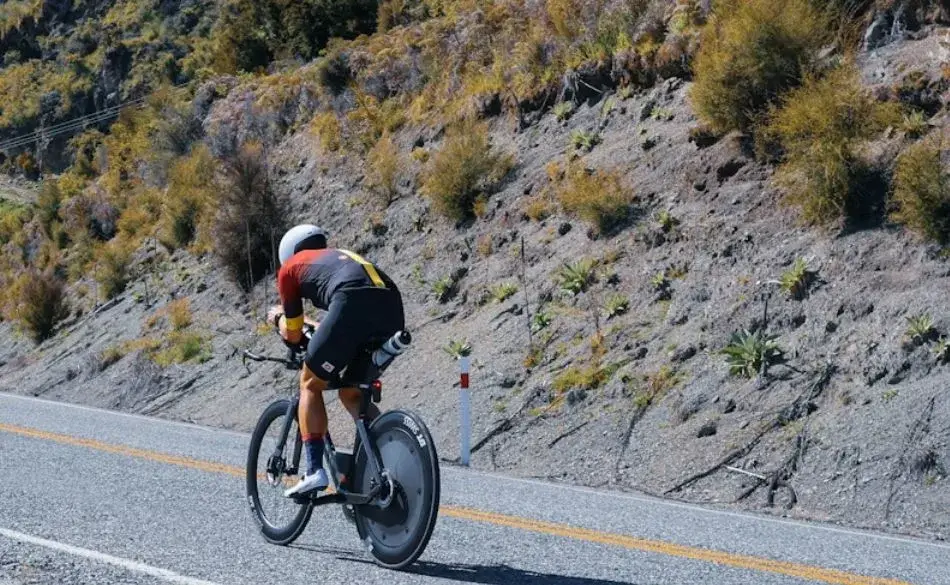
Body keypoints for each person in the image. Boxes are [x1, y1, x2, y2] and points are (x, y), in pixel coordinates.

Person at [267, 224, 405, 497]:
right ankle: (388, 463)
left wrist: (278, 317)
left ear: (288, 254)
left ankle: (314, 471)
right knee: (352, 393)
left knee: (310, 383)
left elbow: (293, 333)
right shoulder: (337, 258)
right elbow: (335, 323)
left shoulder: (289, 269)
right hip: (391, 307)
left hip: (351, 302)